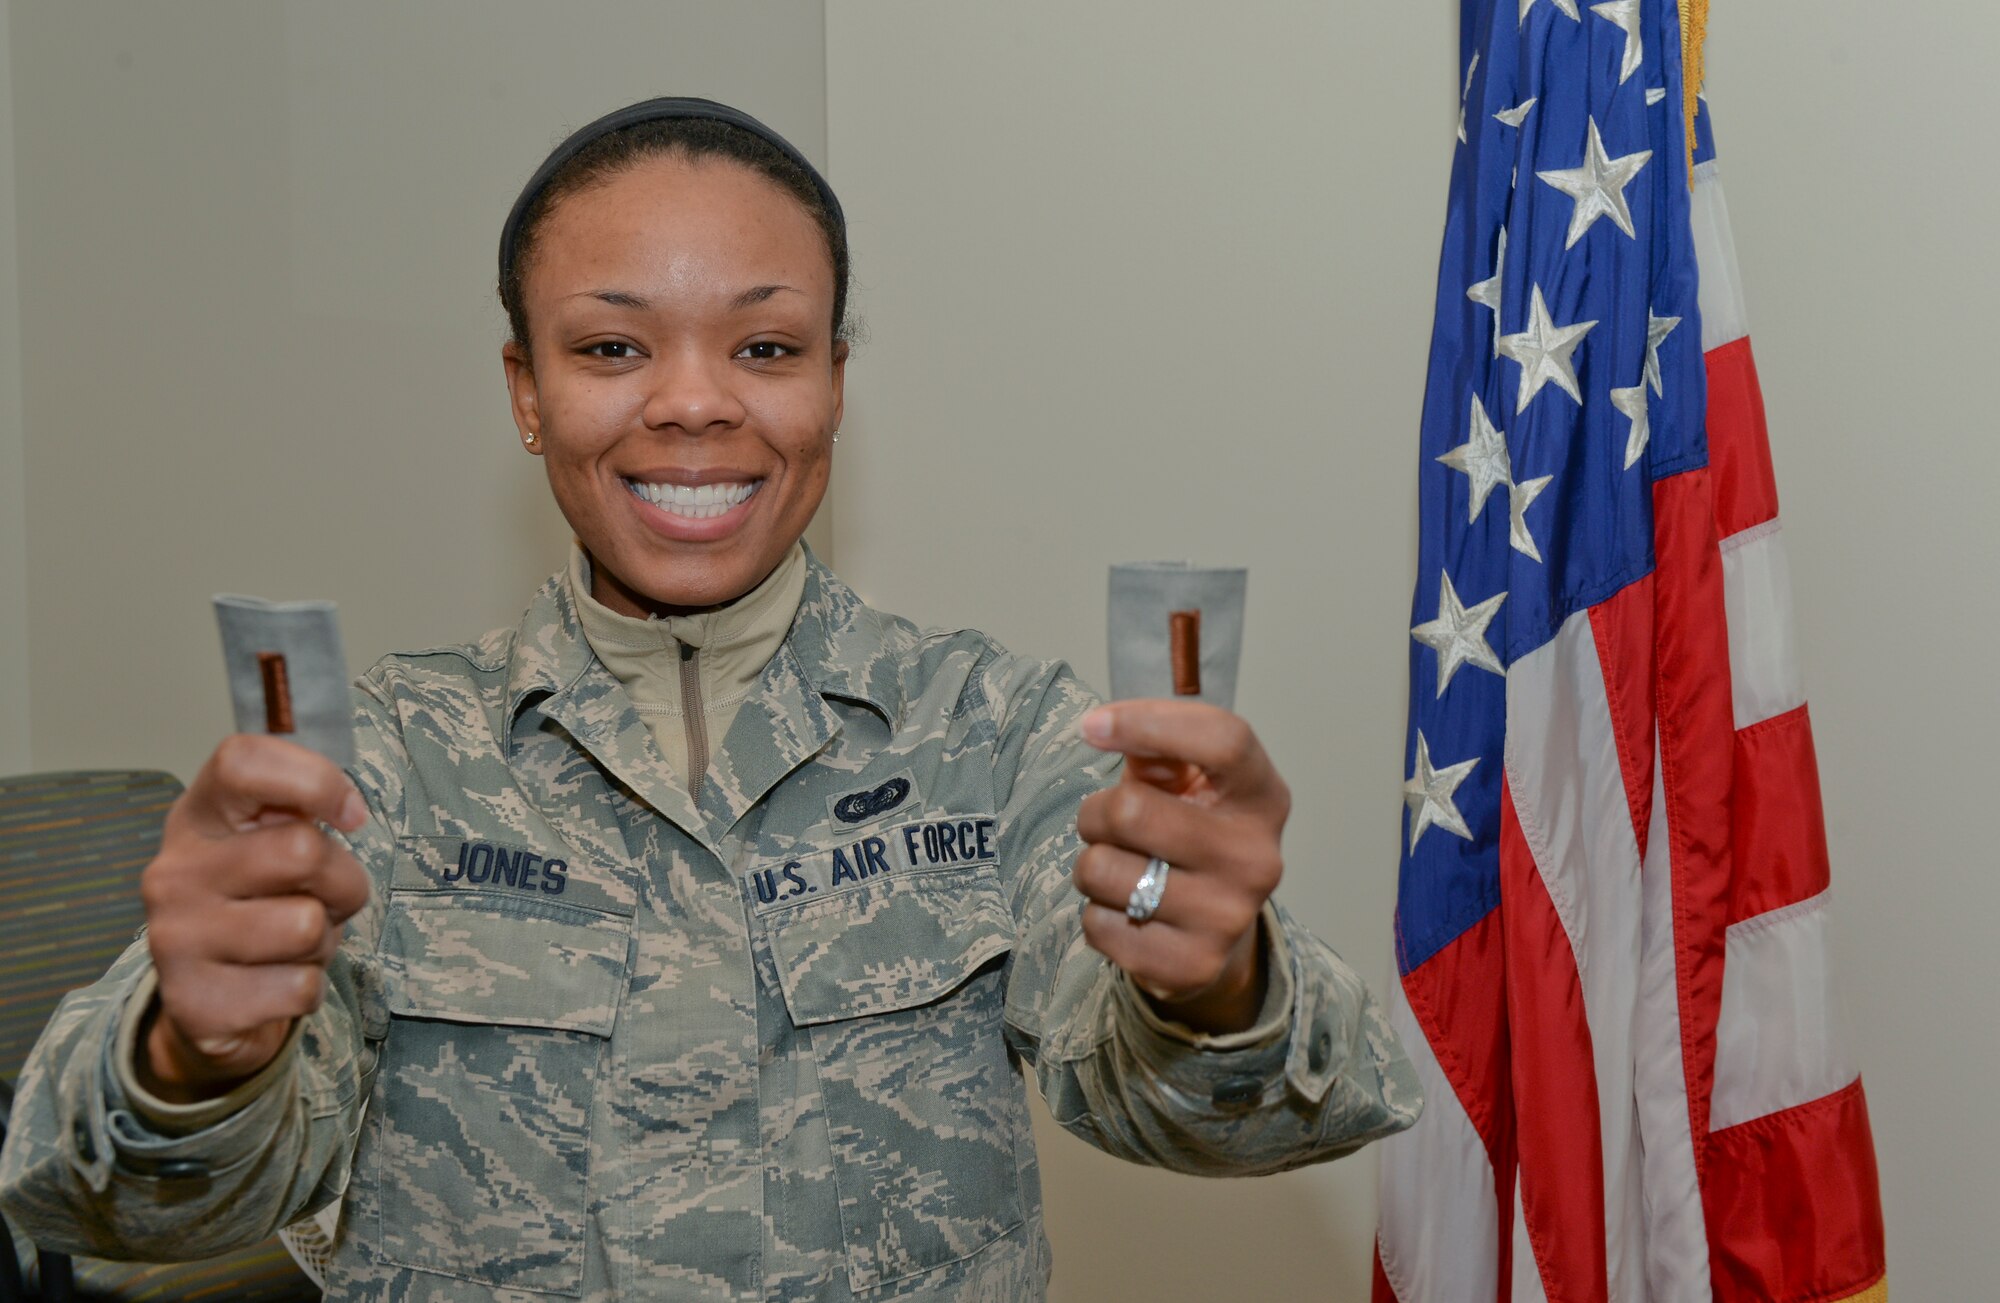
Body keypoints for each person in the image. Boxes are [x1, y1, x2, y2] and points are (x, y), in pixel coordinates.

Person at [0, 98, 1418, 1301]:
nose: (693, 403)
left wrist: (1220, 985)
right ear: (526, 392)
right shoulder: (385, 761)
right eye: (612, 347)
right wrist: (191, 1054)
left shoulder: (989, 731)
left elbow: (1250, 1125)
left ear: (835, 385)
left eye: (766, 346)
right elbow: (117, 1211)